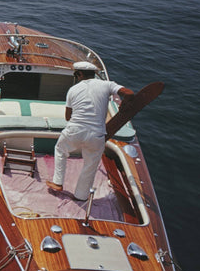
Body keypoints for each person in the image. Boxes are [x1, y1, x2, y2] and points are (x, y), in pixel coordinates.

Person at [46, 61, 134, 201]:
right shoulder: (108, 84)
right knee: (90, 165)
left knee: (61, 150)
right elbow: (129, 93)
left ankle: (57, 182)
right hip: (97, 135)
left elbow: (68, 117)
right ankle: (81, 195)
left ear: (80, 74)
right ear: (94, 74)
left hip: (75, 130)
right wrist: (125, 104)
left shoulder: (73, 90)